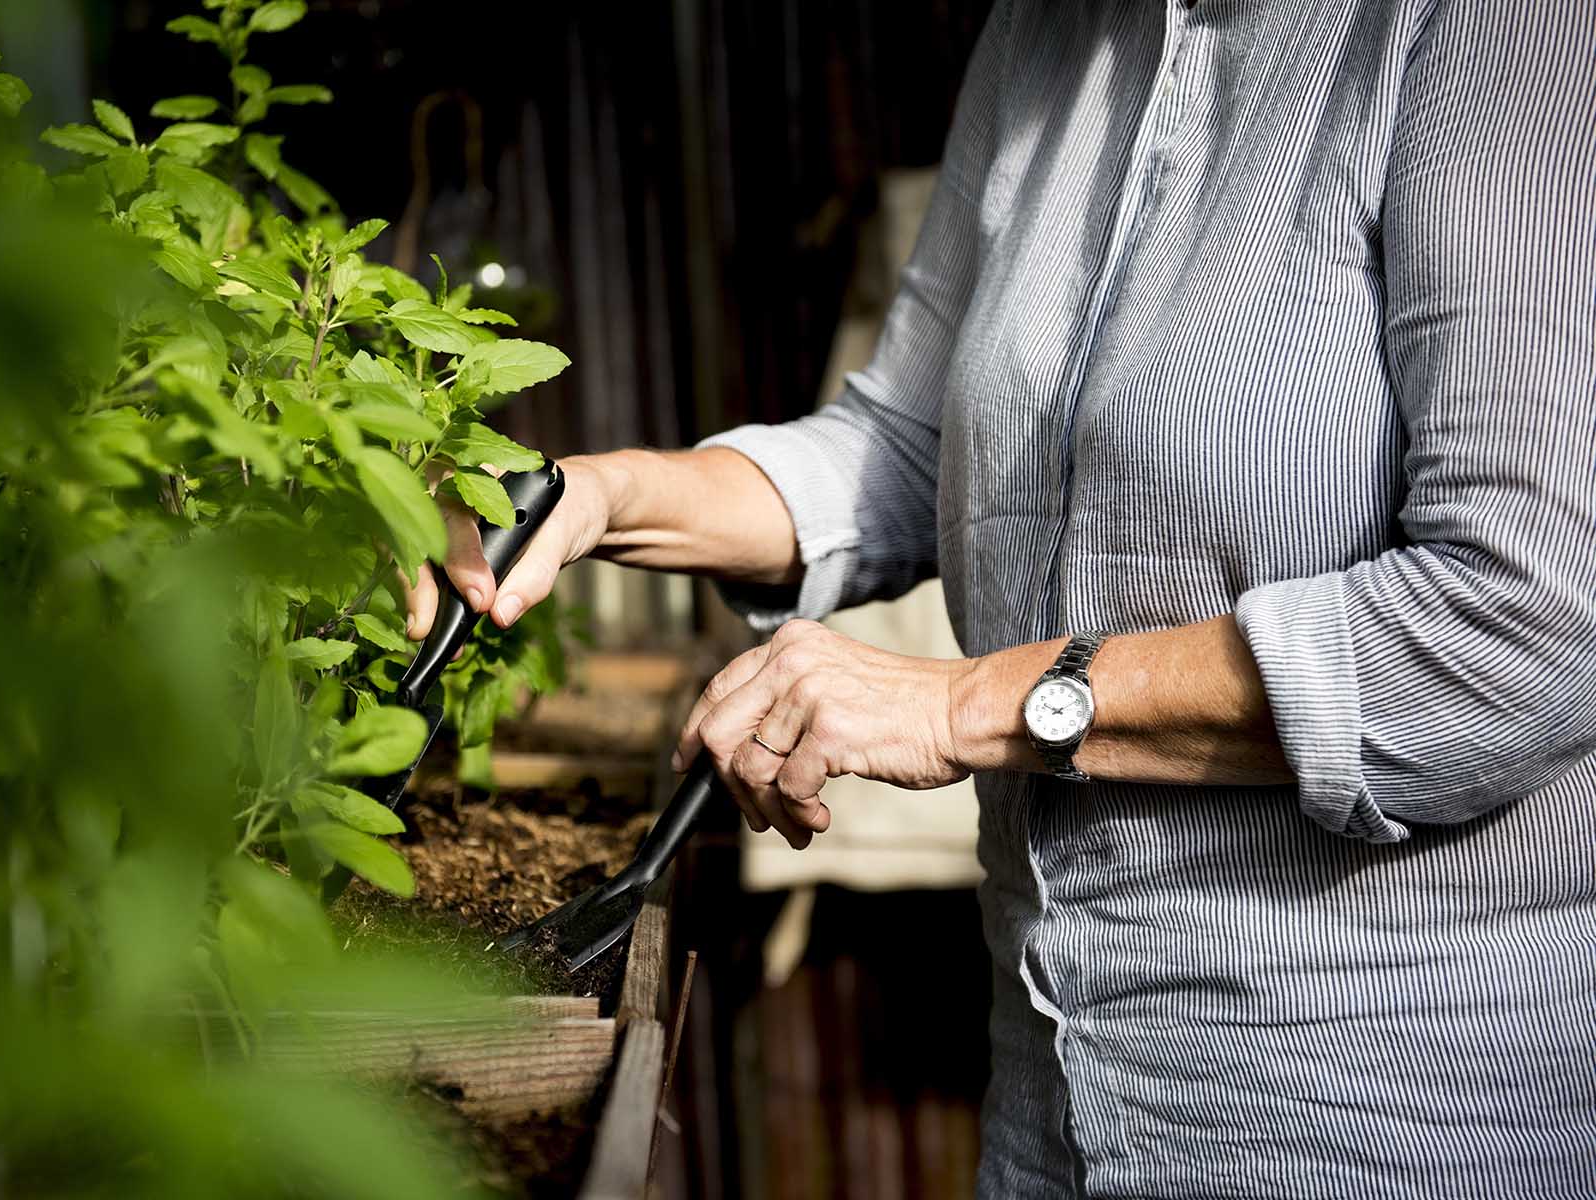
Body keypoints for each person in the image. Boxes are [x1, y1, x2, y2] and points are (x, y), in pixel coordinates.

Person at [407, 1, 1596, 1195]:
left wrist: (964, 705)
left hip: (1386, 1111)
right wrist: (605, 497)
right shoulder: (1042, 36)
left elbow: (1529, 620)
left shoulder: (1488, 31)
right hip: (1049, 1084)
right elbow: (907, 444)